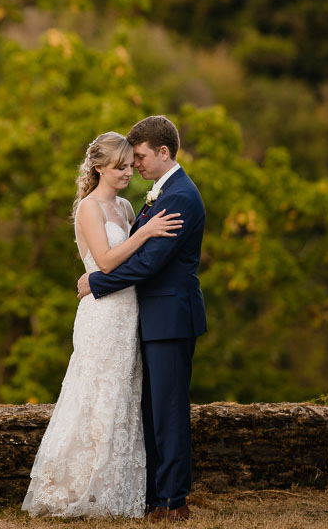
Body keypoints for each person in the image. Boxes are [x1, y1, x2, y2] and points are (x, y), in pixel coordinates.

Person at [22, 131, 183, 518]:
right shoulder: (89, 208)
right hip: (101, 313)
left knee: (122, 397)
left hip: (128, 312)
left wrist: (143, 232)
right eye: (120, 167)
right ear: (99, 168)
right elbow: (107, 262)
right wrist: (146, 232)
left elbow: (135, 262)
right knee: (94, 394)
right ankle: (77, 487)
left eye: (130, 165)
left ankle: (114, 490)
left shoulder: (126, 207)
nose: (129, 172)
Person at [77, 116, 207, 523]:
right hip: (148, 318)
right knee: (150, 411)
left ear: (163, 152)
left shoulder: (180, 196)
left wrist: (96, 282)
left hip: (170, 317)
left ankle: (173, 501)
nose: (135, 166)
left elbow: (149, 264)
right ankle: (154, 496)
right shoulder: (160, 194)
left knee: (168, 411)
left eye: (140, 157)